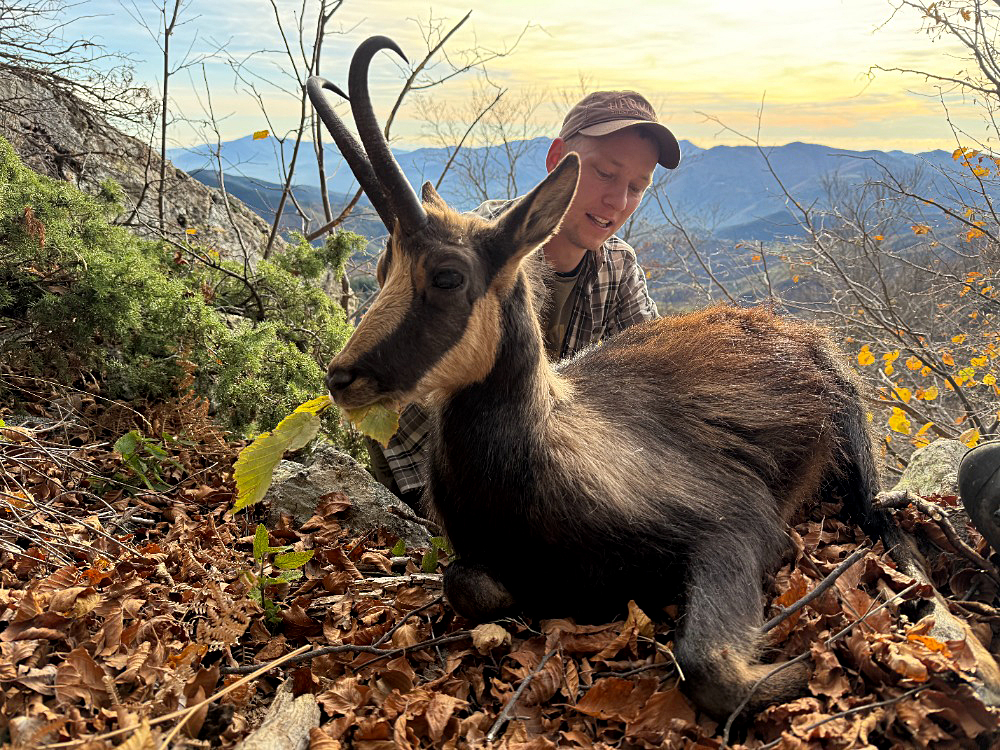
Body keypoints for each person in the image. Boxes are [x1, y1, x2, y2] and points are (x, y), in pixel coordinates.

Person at [368, 90, 682, 505]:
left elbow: (656, 369)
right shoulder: (473, 251)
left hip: (543, 472)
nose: (618, 201)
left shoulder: (618, 268)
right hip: (430, 467)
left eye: (637, 187)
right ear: (557, 161)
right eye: (605, 173)